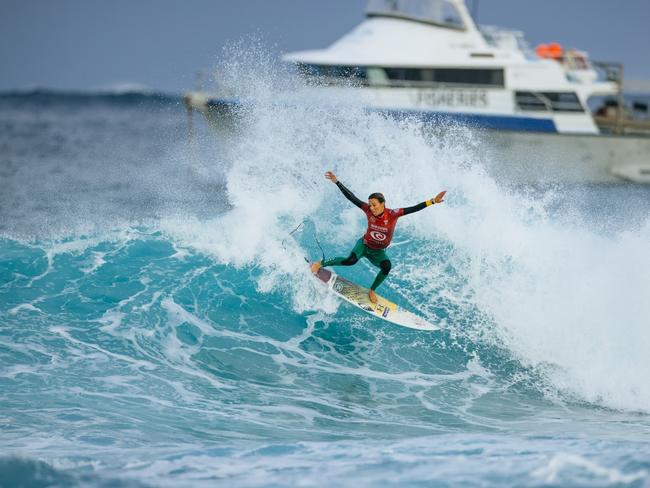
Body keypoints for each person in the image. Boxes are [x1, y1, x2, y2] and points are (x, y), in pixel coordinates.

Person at [311, 171, 446, 303]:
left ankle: (372, 290)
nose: (371, 207)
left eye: (374, 205)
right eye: (370, 204)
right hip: (364, 245)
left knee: (386, 266)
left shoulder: (393, 214)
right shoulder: (368, 210)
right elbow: (352, 197)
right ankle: (320, 263)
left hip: (378, 252)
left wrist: (433, 201)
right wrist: (337, 182)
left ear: (383, 204)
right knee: (350, 260)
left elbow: (414, 208)